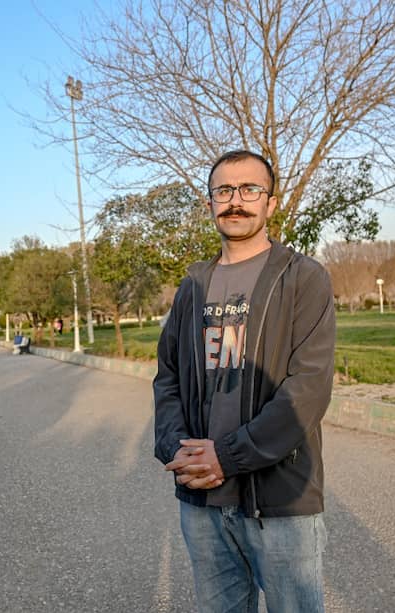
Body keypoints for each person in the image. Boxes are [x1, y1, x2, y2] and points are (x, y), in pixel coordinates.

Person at [153, 150, 336, 612]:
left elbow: (307, 389)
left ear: (271, 203)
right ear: (210, 203)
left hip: (278, 502)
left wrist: (227, 457)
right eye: (224, 191)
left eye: (250, 189)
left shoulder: (303, 278)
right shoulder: (192, 285)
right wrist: (176, 448)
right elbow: (167, 377)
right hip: (202, 499)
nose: (236, 201)